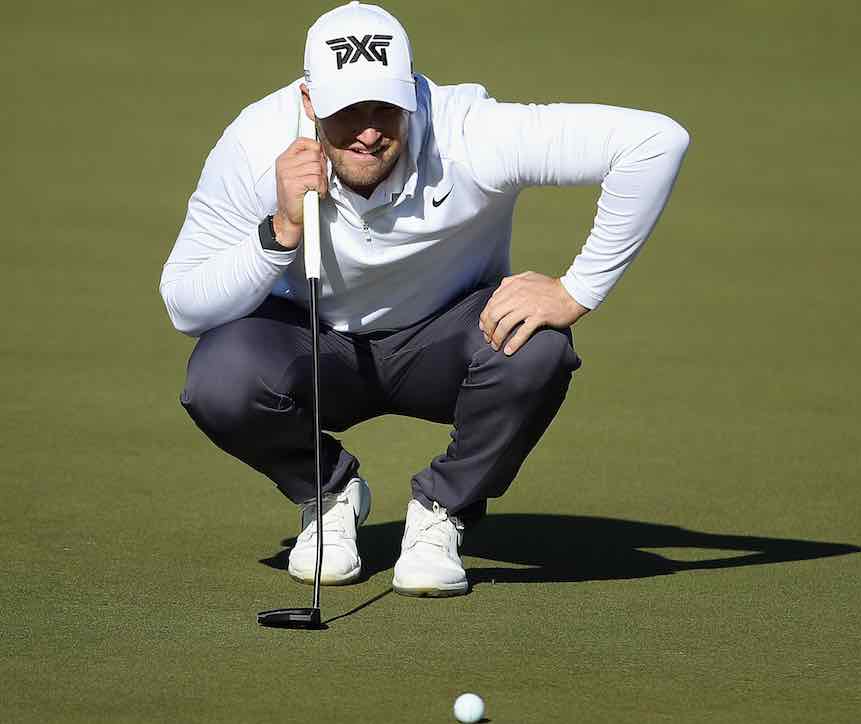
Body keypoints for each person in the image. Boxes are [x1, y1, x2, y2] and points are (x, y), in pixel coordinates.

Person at [160, 2, 689, 597]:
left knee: (537, 348)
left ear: (412, 92)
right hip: (313, 346)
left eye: (384, 108)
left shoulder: (471, 132)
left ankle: (443, 511)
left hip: (446, 340)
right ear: (308, 102)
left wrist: (577, 289)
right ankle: (328, 494)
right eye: (344, 111)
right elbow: (185, 304)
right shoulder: (255, 145)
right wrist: (280, 230)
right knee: (219, 378)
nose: (366, 130)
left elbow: (654, 142)